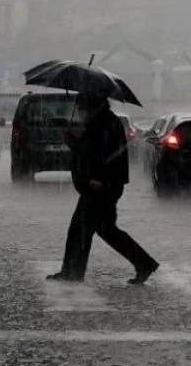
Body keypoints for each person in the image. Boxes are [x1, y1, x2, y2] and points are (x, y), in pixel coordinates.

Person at [48, 94, 159, 284]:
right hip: (102, 185)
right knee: (106, 230)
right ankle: (144, 262)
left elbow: (105, 155)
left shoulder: (104, 123)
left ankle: (73, 271)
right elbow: (90, 152)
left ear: (92, 104)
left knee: (80, 229)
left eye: (82, 105)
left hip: (100, 187)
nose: (80, 111)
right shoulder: (101, 122)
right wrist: (74, 143)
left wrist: (97, 179)